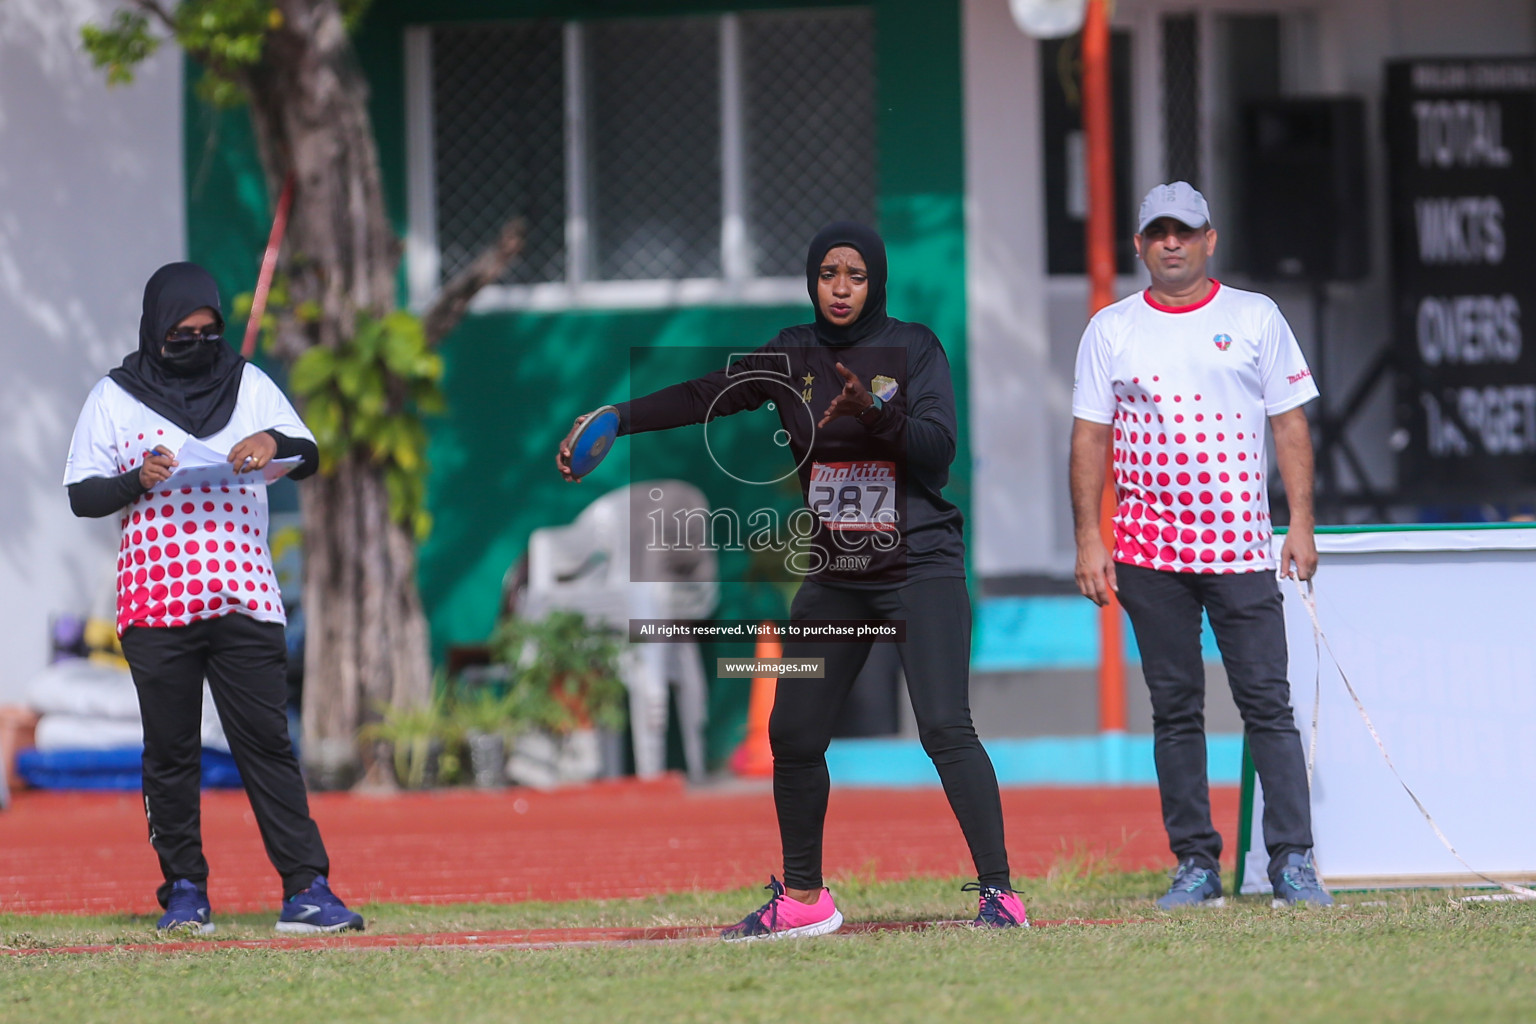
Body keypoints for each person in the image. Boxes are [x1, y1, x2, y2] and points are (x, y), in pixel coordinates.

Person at [558, 222, 1028, 937]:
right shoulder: (790, 354)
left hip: (919, 563)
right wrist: (616, 417)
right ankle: (805, 899)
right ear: (813, 280)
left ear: (877, 282)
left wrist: (876, 411)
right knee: (795, 732)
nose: (840, 288)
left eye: (856, 275)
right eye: (828, 274)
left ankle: (1001, 896)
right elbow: (702, 394)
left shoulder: (916, 349)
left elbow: (937, 453)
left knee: (944, 726)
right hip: (839, 573)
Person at [63, 262, 365, 934]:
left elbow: (308, 453)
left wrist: (270, 441)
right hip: (156, 601)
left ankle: (307, 890)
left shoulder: (248, 383)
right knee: (170, 752)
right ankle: (185, 891)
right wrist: (136, 478)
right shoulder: (115, 397)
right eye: (181, 334)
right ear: (155, 330)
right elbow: (83, 494)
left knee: (265, 744)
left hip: (243, 594)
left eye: (208, 332)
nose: (197, 345)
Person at [1069, 182, 1333, 908]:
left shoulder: (1255, 317)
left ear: (1210, 239)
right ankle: (1195, 864)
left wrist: (1301, 523)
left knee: (1266, 704)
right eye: (1158, 232)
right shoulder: (1112, 329)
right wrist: (1090, 537)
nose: (1172, 244)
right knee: (1175, 708)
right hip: (1151, 554)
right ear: (1140, 245)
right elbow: (1090, 437)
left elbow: (1289, 426)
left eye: (1185, 231)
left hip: (1243, 550)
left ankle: (1293, 862)